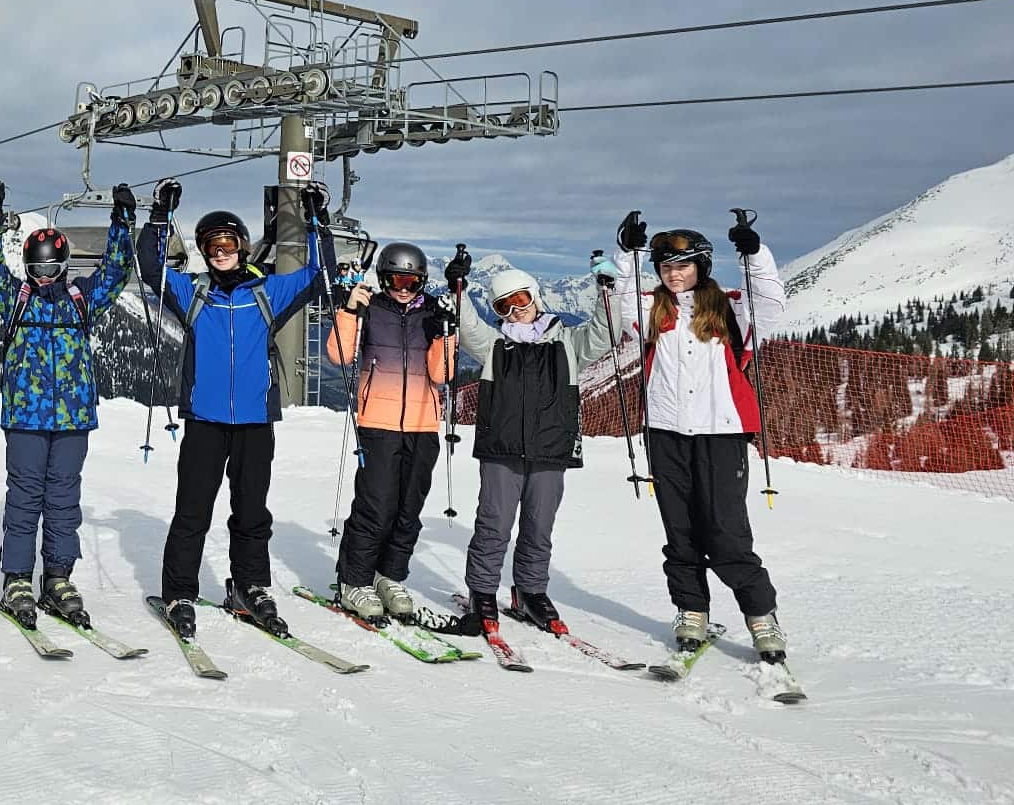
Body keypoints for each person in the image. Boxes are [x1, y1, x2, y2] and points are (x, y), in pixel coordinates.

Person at [139, 177, 330, 638]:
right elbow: (150, 266)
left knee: (251, 512)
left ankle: (251, 585)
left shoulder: (266, 294)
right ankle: (179, 590)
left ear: (242, 247)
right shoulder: (194, 293)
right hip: (205, 421)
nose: (220, 251)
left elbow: (319, 275)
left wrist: (314, 221)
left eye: (227, 243)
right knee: (193, 511)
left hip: (254, 423)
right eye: (211, 245)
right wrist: (160, 217)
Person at [617, 212, 789, 658]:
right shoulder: (653, 312)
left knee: (726, 532)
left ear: (702, 267)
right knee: (680, 530)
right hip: (666, 432)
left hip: (722, 433)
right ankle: (692, 610)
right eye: (665, 267)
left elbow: (769, 301)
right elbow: (620, 302)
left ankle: (760, 617)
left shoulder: (732, 309)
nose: (674, 274)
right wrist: (626, 255)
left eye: (684, 265)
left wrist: (754, 256)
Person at [0, 177, 134, 629]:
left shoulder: (82, 301)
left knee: (64, 497)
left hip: (72, 416)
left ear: (63, 267)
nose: (43, 278)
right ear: (27, 267)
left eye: (51, 270)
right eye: (37, 270)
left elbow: (117, 271)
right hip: (25, 415)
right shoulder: (17, 300)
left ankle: (59, 575)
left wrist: (122, 220)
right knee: (25, 496)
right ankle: (18, 577)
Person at [447, 256, 618, 637]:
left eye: (520, 299)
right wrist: (458, 289)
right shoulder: (494, 346)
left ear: (536, 297)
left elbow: (605, 334)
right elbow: (468, 326)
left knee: (539, 526)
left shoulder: (569, 342)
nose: (514, 310)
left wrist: (608, 290)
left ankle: (530, 590)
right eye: (503, 306)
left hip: (550, 448)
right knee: (494, 524)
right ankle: (483, 592)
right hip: (501, 449)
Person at [324, 240, 454, 623]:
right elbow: (340, 355)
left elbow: (442, 373)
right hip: (377, 423)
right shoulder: (370, 308)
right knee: (375, 507)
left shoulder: (432, 313)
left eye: (411, 281)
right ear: (383, 278)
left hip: (422, 424)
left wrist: (444, 332)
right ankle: (354, 581)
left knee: (408, 511)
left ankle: (389, 576)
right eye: (396, 279)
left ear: (422, 282)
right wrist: (349, 311)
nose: (403, 287)